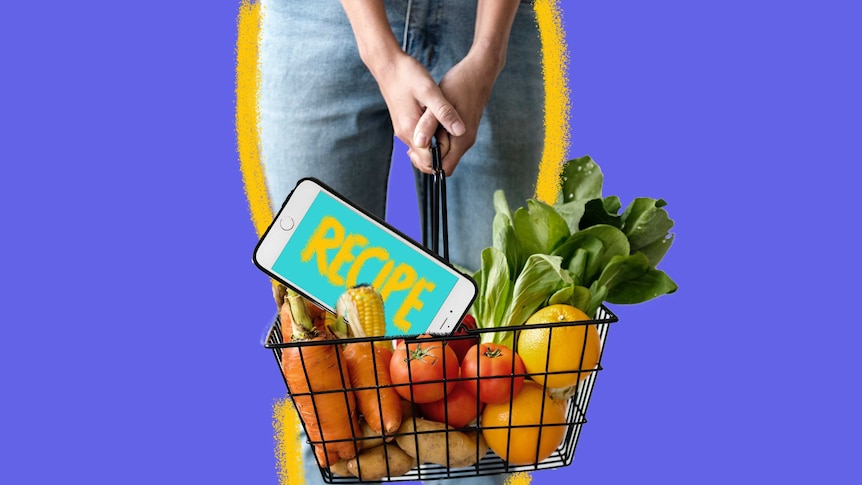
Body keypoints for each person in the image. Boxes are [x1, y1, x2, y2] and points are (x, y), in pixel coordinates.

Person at [259, 0, 545, 483]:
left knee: (483, 355)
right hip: (320, 21)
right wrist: (381, 54)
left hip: (487, 20)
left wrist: (487, 55)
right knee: (329, 378)